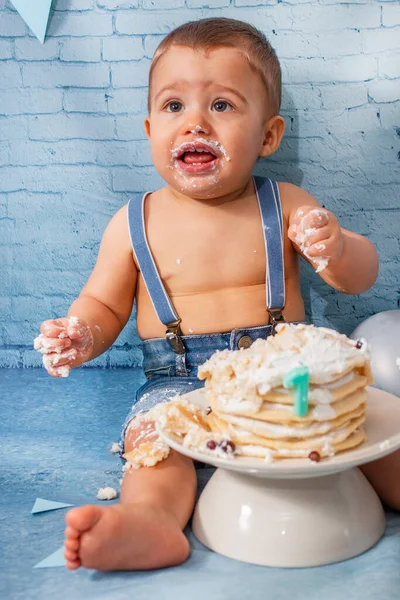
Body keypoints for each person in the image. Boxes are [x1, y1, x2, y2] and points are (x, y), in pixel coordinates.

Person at [35, 17, 396, 573]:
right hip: (180, 382)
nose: (195, 123)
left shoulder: (286, 202)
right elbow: (104, 306)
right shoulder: (134, 222)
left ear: (269, 135)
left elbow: (358, 277)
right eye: (174, 106)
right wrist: (81, 333)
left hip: (287, 375)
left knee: (363, 429)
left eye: (222, 106)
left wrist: (335, 246)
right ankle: (151, 523)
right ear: (150, 126)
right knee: (156, 448)